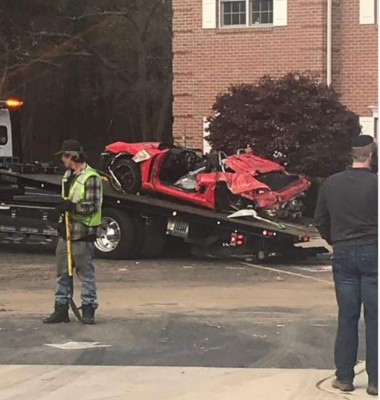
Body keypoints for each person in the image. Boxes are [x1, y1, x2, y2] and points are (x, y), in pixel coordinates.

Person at [314, 135, 378, 396]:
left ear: (351, 156)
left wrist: (335, 240)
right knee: (375, 318)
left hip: (343, 254)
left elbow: (320, 219)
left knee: (347, 317)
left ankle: (344, 377)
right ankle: (375, 381)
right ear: (371, 156)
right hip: (374, 253)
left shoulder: (331, 183)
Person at [43, 139, 103, 325]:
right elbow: (66, 200)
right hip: (67, 232)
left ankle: (88, 309)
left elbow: (92, 206)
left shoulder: (91, 177)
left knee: (85, 274)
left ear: (72, 156)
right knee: (62, 272)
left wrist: (72, 207)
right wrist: (61, 213)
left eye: (64, 156)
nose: (62, 159)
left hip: (82, 233)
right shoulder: (68, 176)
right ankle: (61, 309)